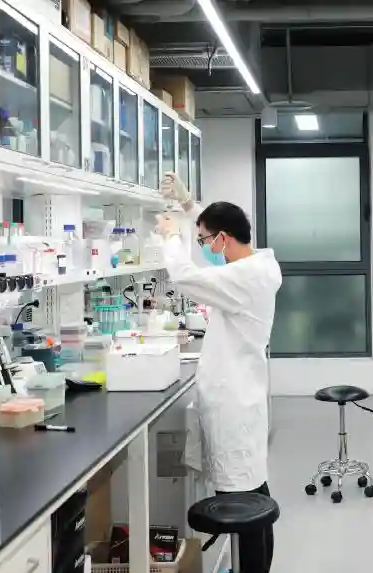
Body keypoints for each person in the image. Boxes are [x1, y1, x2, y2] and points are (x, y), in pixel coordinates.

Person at [155, 173, 281, 573]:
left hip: (234, 403)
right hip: (242, 395)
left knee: (244, 503)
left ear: (224, 238)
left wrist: (171, 237)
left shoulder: (244, 277)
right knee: (255, 492)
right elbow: (218, 236)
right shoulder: (257, 264)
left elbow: (186, 277)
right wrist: (189, 205)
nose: (205, 248)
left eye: (205, 240)